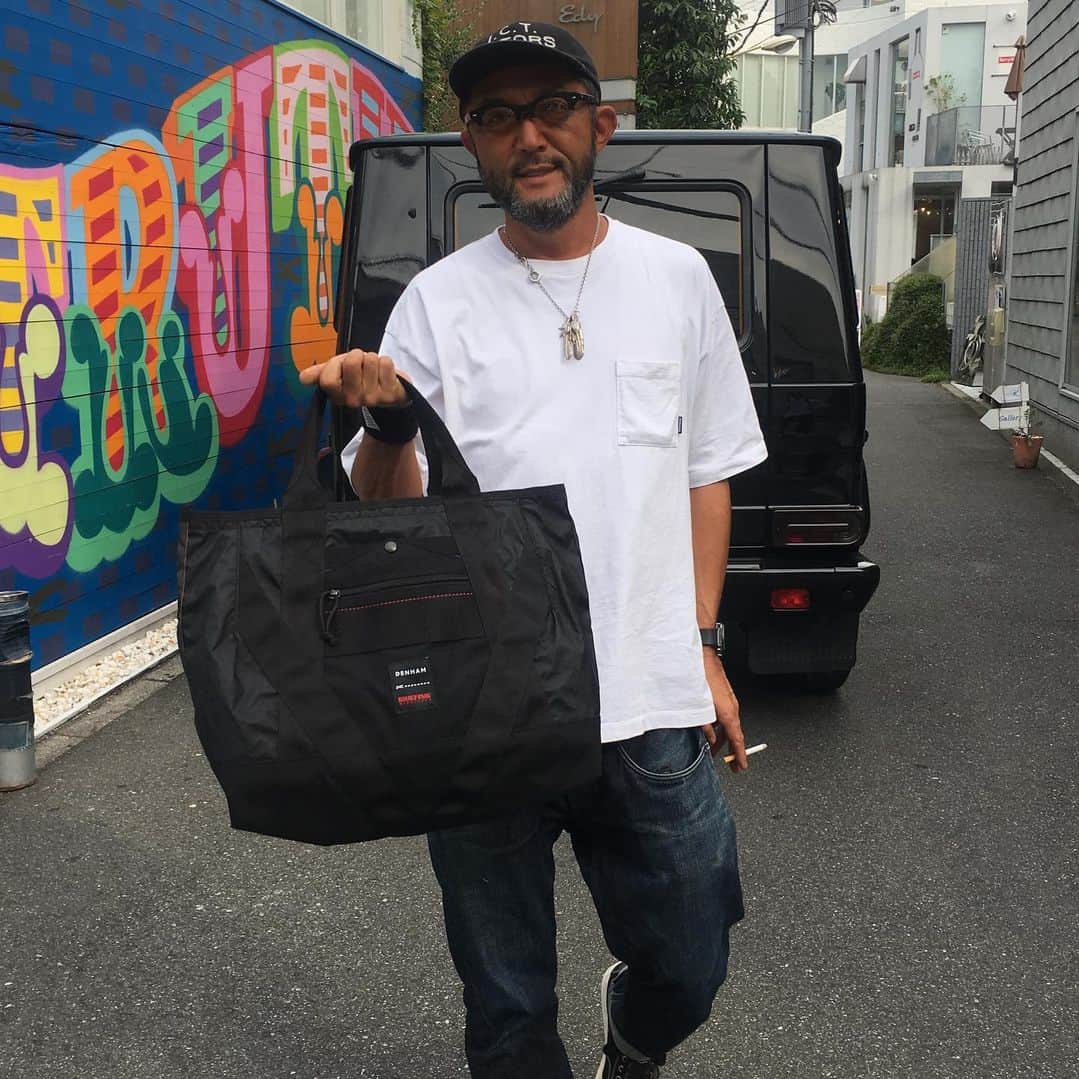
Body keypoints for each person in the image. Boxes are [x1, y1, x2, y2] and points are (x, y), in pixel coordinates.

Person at [300, 21, 768, 1079]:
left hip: (647, 700)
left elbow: (706, 473)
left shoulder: (677, 279)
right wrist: (390, 427)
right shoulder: (437, 303)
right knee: (507, 1007)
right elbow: (385, 509)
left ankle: (636, 1034)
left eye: (553, 107)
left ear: (601, 125)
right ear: (472, 140)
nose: (530, 135)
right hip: (483, 710)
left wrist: (702, 644)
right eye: (499, 115)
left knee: (692, 954)